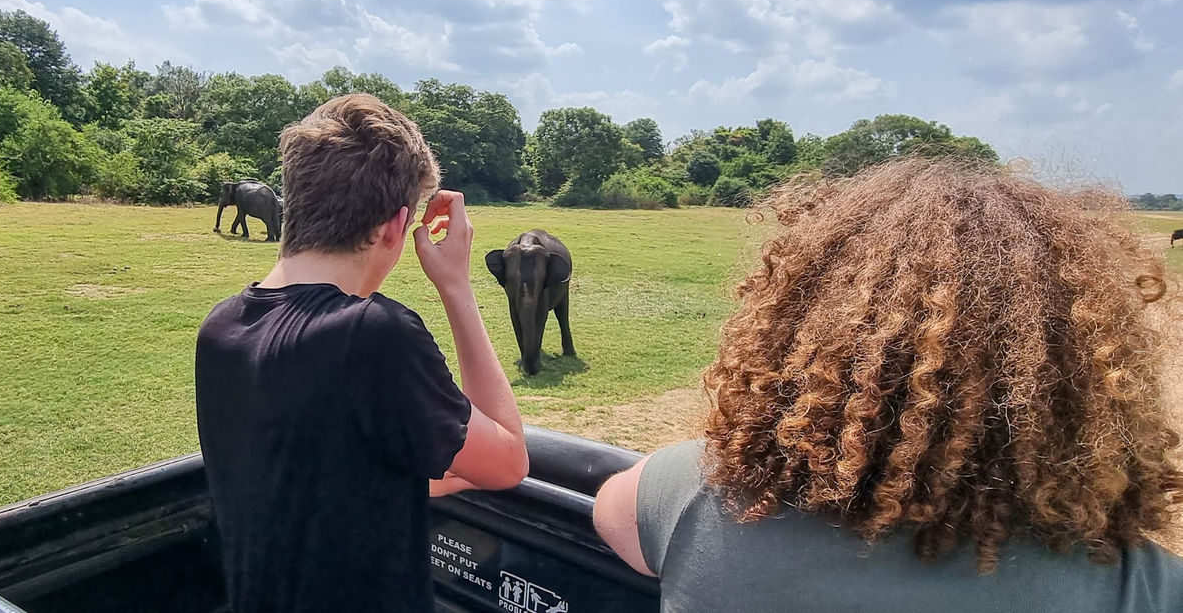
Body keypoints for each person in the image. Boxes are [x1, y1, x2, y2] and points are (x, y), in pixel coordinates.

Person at [593, 158, 1183, 611]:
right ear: (1080, 380)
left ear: (807, 324)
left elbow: (610, 509)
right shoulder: (1145, 587)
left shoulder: (689, 493)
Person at [195, 94, 529, 612]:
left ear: (294, 199)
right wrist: (456, 289)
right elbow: (508, 462)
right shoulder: (373, 335)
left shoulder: (221, 327)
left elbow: (322, 472)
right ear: (396, 227)